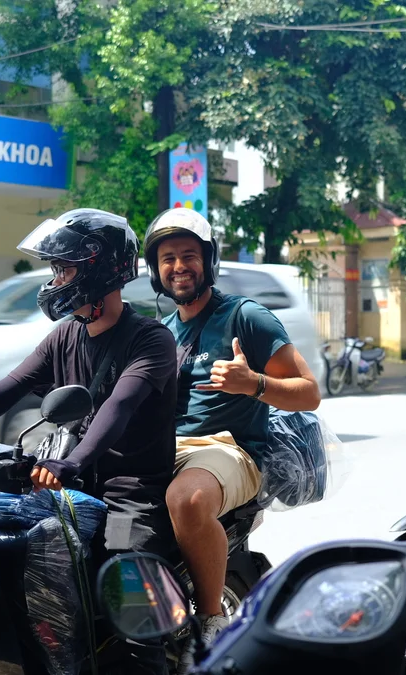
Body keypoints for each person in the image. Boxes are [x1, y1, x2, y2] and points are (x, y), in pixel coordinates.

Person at [0, 208, 177, 675]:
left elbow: (120, 405)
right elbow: (8, 389)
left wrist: (71, 463)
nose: (55, 281)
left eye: (64, 269)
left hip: (129, 489)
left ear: (98, 270)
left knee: (128, 583)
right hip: (71, 483)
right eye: (55, 269)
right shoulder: (65, 335)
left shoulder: (151, 340)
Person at [141, 208, 321, 669]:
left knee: (186, 500)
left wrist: (253, 384)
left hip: (229, 450)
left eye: (188, 255)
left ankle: (211, 620)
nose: (178, 266)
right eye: (167, 258)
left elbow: (309, 393)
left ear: (208, 260)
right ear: (156, 270)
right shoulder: (162, 332)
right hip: (169, 450)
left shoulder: (246, 317)